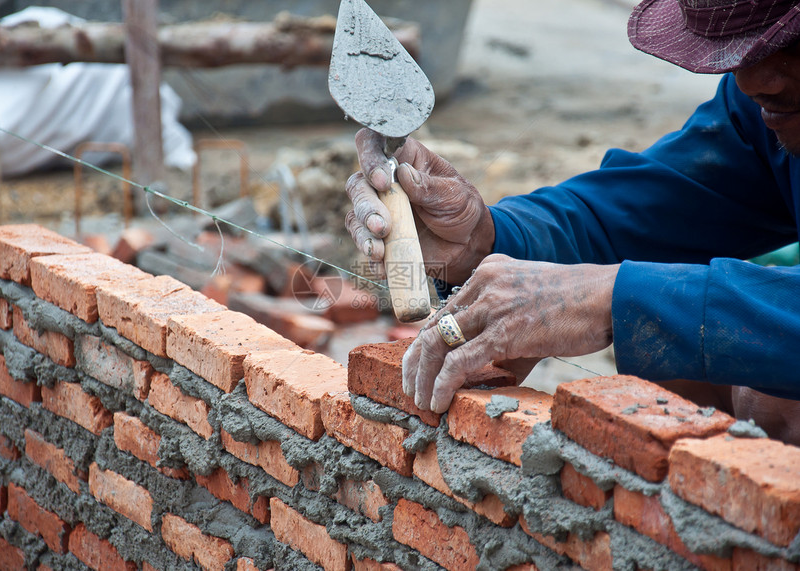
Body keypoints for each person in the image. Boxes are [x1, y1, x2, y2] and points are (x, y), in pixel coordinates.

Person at [343, 0, 800, 445]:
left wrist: (610, 297)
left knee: (766, 391)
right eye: (741, 52)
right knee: (678, 349)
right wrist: (488, 238)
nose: (752, 79)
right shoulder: (760, 112)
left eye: (789, 44)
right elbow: (646, 208)